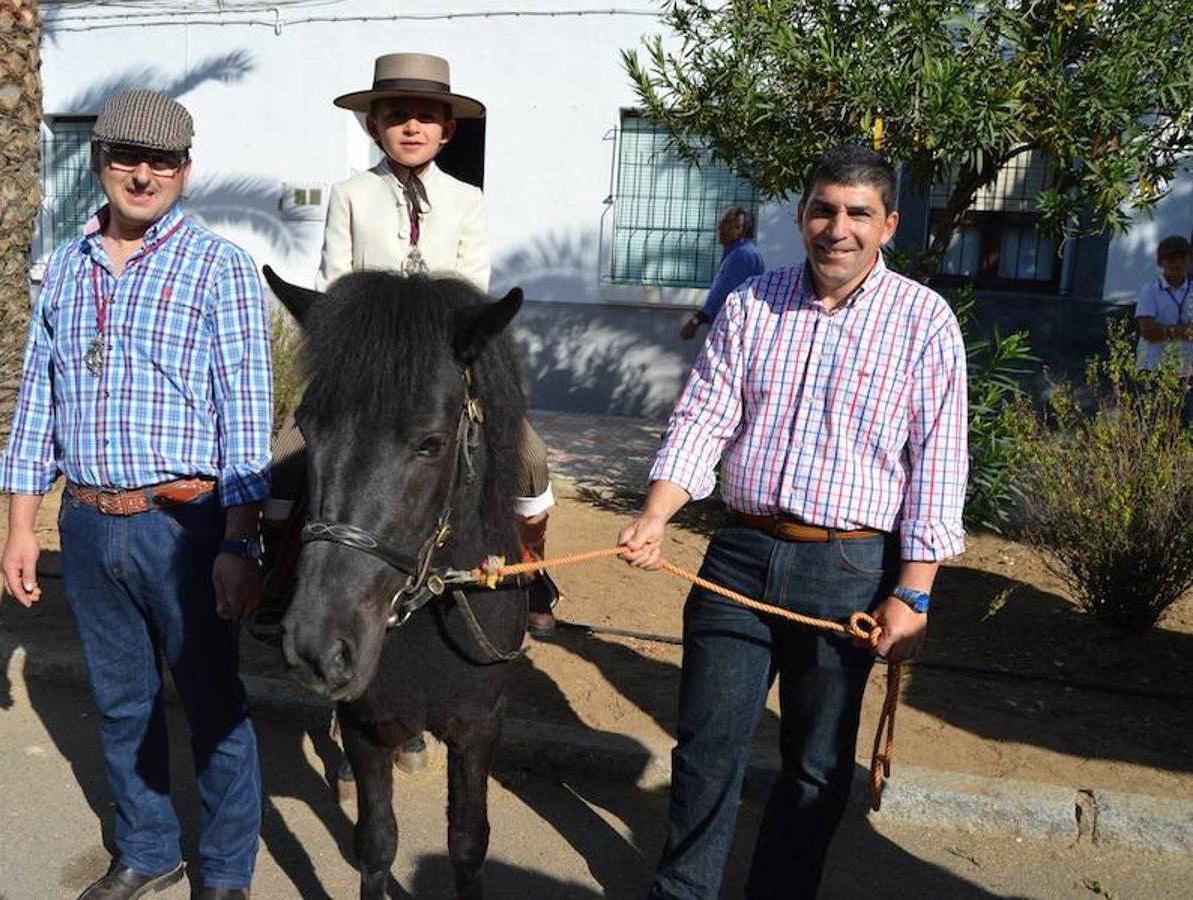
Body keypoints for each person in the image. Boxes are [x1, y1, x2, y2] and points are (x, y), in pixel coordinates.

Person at [619, 144, 968, 900]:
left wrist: (913, 594)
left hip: (846, 569)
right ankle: (683, 891)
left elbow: (938, 466)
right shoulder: (753, 304)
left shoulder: (924, 321)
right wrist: (655, 515)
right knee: (707, 748)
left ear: (888, 225)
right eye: (822, 209)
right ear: (801, 216)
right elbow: (704, 419)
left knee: (815, 767)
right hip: (738, 556)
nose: (836, 228)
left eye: (857, 214)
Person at [0, 90, 270, 900]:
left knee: (215, 703)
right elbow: (35, 402)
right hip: (86, 523)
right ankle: (148, 850)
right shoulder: (63, 268)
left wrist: (238, 541)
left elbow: (246, 416)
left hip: (184, 526)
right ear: (99, 162)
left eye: (161, 162)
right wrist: (22, 527)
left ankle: (223, 873)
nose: (142, 175)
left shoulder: (218, 268)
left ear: (186, 172)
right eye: (126, 157)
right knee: (120, 702)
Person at [261, 52, 561, 642]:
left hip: (440, 364)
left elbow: (472, 289)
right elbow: (336, 284)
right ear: (373, 126)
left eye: (426, 117)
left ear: (447, 130)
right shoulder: (349, 195)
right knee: (281, 459)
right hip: (367, 368)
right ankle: (282, 572)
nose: (412, 128)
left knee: (529, 456)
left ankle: (532, 567)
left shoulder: (467, 200)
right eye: (398, 115)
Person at [679, 206, 766, 340]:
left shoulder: (743, 255)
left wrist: (696, 321)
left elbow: (727, 296)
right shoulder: (735, 253)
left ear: (739, 229)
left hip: (732, 333)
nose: (719, 229)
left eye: (725, 224)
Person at [1134, 234, 1193, 375]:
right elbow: (1149, 332)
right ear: (1161, 263)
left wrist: (1164, 330)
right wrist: (1186, 331)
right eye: (1171, 258)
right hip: (1152, 367)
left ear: (1190, 260)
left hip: (1186, 371)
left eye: (1182, 257)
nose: (1178, 263)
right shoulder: (1149, 291)